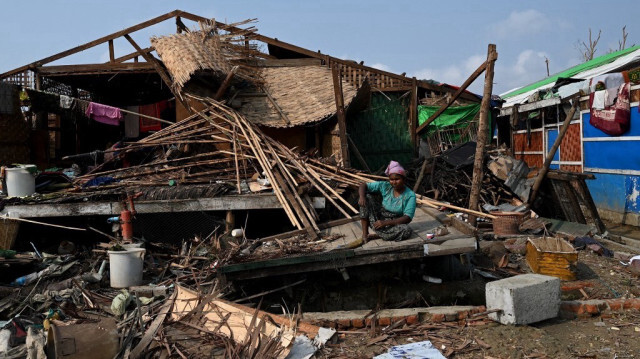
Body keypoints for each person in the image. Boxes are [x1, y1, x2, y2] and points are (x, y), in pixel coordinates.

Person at [358, 160, 416, 242]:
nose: (394, 182)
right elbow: (363, 185)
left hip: (394, 223)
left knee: (406, 230)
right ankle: (365, 234)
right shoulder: (385, 186)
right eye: (391, 179)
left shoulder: (410, 195)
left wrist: (386, 223)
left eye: (397, 179)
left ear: (403, 179)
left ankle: (379, 235)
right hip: (378, 221)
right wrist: (362, 197)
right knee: (366, 197)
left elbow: (407, 218)